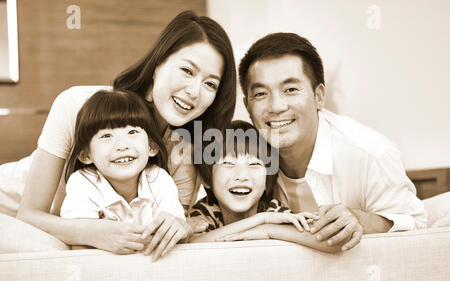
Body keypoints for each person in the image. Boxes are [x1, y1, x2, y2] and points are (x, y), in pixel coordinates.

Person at [0, 11, 236, 257]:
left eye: (210, 84)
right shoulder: (78, 105)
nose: (194, 91)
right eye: (187, 71)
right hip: (12, 210)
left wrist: (181, 227)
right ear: (158, 64)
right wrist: (94, 232)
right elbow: (28, 215)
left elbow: (170, 230)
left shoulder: (184, 150)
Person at [237, 32, 427, 251]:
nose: (276, 106)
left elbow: (418, 228)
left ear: (319, 97)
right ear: (247, 105)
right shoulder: (241, 157)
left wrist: (360, 219)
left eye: (290, 90)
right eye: (260, 94)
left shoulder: (370, 153)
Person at [60, 89, 188, 259]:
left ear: (151, 146)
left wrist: (181, 227)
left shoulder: (158, 178)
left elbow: (178, 227)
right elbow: (80, 246)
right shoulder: (82, 183)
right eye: (106, 135)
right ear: (86, 155)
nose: (122, 146)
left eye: (132, 132)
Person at [188, 120, 336, 253]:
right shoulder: (205, 211)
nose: (242, 175)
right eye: (228, 163)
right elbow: (191, 245)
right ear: (207, 179)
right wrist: (261, 220)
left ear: (267, 181)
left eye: (254, 164)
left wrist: (269, 230)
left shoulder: (274, 210)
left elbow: (326, 242)